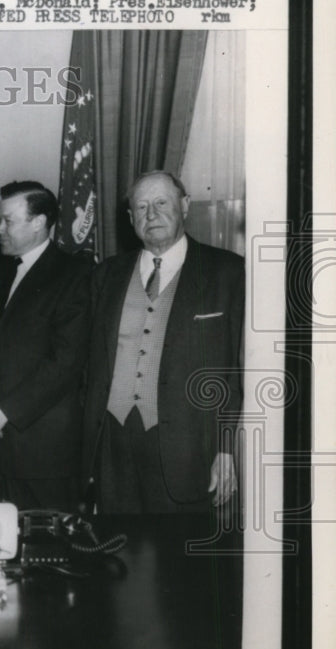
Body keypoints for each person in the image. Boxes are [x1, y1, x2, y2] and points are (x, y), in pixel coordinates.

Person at [83, 171, 243, 513]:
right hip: (113, 444)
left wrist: (226, 449)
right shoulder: (105, 275)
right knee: (117, 555)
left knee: (179, 560)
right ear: (130, 219)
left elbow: (236, 373)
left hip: (187, 449)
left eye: (160, 203)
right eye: (140, 207)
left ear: (184, 206)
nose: (150, 215)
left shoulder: (227, 273)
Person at [0, 181, 92, 512]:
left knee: (48, 552)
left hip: (40, 451)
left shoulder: (75, 274)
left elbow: (66, 360)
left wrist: (6, 412)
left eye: (8, 221)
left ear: (38, 222)